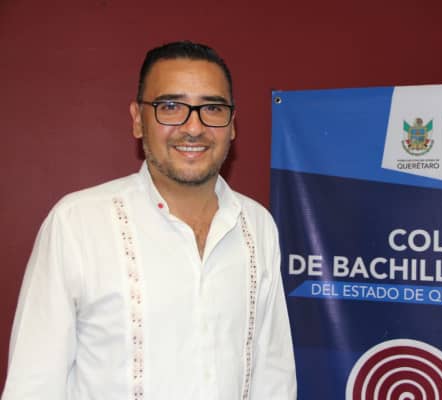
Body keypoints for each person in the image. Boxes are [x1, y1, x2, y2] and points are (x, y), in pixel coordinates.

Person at [1, 41, 296, 399]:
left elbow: (274, 378)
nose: (193, 127)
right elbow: (32, 386)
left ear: (232, 124)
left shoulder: (258, 226)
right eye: (170, 107)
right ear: (138, 120)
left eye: (212, 108)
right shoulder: (77, 224)